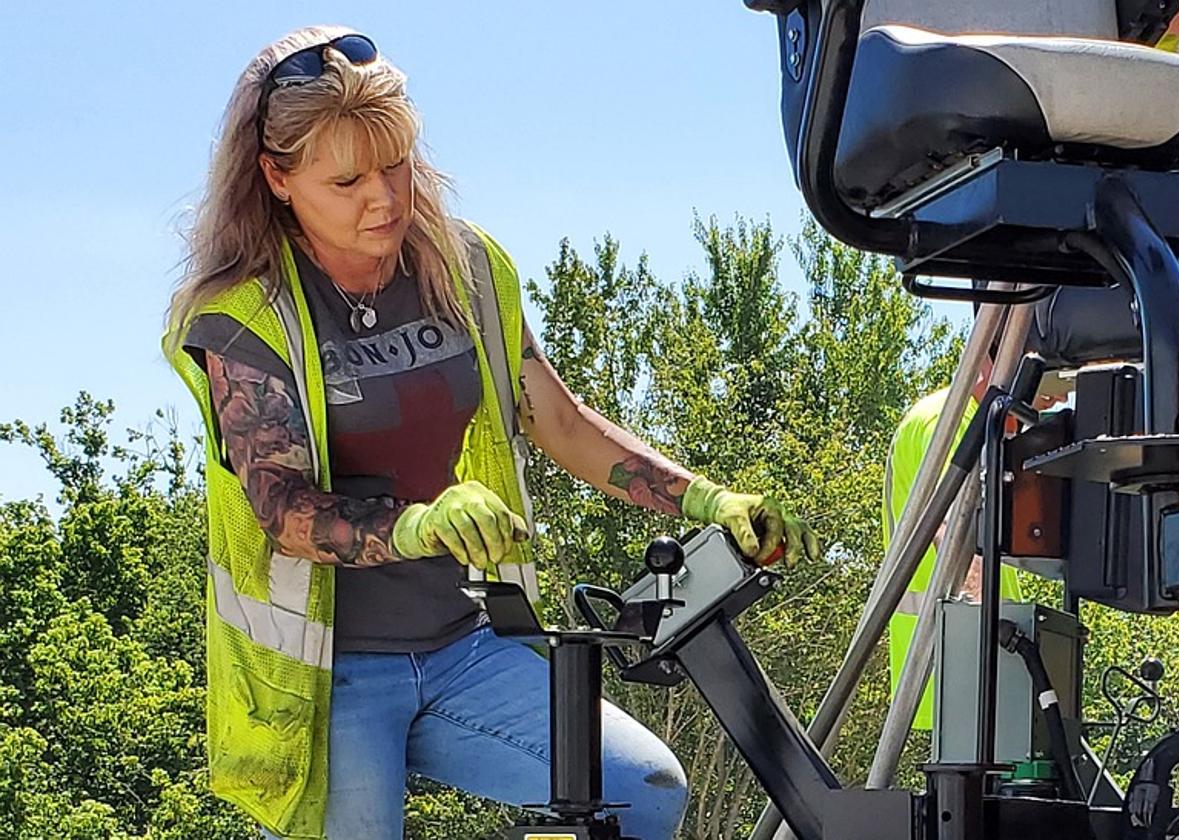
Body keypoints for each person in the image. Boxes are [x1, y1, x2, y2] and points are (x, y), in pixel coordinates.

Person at [164, 26, 820, 840]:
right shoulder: (242, 316)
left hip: (465, 647)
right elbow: (284, 511)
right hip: (328, 678)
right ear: (277, 179)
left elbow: (562, 424)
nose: (385, 199)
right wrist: (417, 523)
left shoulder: (464, 266)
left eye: (395, 164)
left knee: (640, 791)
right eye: (348, 180)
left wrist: (711, 500)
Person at [881, 353, 1024, 731]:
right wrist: (1000, 635)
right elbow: (952, 533)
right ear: (995, 361)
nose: (1058, 397)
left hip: (959, 669)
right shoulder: (947, 423)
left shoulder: (975, 425)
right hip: (960, 666)